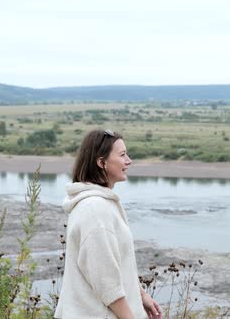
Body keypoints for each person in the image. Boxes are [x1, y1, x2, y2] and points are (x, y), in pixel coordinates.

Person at [55, 129, 162, 319]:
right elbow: (106, 282)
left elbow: (115, 264)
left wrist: (141, 295)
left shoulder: (102, 203)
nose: (129, 161)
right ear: (101, 162)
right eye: (122, 155)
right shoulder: (94, 209)